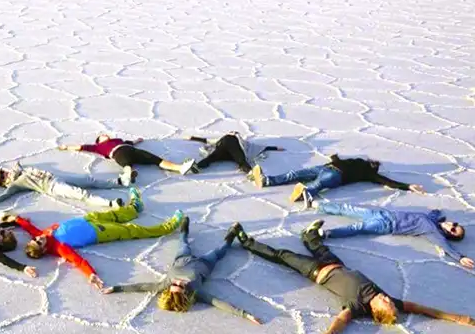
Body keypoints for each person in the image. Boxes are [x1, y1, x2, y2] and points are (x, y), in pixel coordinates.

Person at [232, 222, 475, 334]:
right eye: (390, 302)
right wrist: (458, 318)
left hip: (315, 271)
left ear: (377, 311)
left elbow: (341, 320)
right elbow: (423, 309)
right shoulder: (389, 299)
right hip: (337, 264)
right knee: (319, 247)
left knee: (282, 255)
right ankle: (309, 234)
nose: (387, 299)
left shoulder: (357, 307)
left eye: (386, 304)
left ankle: (246, 242)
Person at [10, 188, 183, 288]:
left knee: (116, 214)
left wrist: (17, 220)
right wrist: (91, 274)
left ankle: (135, 207)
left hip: (89, 219)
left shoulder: (43, 235)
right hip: (99, 231)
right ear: (43, 249)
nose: (38, 237)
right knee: (132, 230)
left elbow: (31, 229)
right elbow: (77, 261)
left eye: (35, 239)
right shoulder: (59, 247)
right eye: (38, 241)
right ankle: (167, 227)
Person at [101, 219, 261, 323]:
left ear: (169, 289)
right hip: (205, 263)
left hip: (182, 257)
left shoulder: (163, 285)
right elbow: (219, 303)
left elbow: (140, 287)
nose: (178, 282)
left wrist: (116, 288)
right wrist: (245, 314)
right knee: (220, 251)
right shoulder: (196, 292)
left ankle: (184, 226)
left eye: (175, 284)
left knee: (183, 242)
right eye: (181, 286)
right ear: (186, 294)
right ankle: (232, 233)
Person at [306, 202, 472, 268]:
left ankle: (326, 234)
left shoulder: (432, 231)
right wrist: (437, 211)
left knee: (357, 227)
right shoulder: (433, 220)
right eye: (455, 225)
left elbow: (444, 245)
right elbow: (433, 214)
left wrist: (460, 257)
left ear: (448, 234)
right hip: (383, 214)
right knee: (349, 209)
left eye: (453, 230)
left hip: (386, 225)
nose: (452, 226)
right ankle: (317, 205)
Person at [248, 154, 423, 206]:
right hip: (326, 167)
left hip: (335, 175)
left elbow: (387, 181)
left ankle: (304, 193)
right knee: (295, 174)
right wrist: (334, 157)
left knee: (318, 184)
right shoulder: (357, 161)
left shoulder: (368, 173)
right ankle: (267, 181)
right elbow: (337, 159)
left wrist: (407, 186)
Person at [0, 162, 124, 209]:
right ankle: (111, 204)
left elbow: (17, 165)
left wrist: (17, 169)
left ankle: (119, 182)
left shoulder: (21, 170)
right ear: (3, 182)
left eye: (2, 172)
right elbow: (7, 194)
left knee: (88, 181)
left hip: (57, 177)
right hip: (52, 187)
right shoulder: (16, 183)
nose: (5, 173)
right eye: (2, 176)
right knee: (81, 194)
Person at [57, 134, 194, 183]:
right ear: (99, 141)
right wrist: (66, 147)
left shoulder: (118, 140)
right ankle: (128, 175)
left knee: (156, 159)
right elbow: (81, 147)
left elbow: (130, 143)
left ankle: (180, 168)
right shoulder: (98, 147)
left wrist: (137, 140)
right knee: (126, 164)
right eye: (102, 135)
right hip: (118, 152)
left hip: (132, 150)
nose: (105, 134)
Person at [186, 132, 284, 174]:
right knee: (241, 161)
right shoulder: (242, 142)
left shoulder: (223, 139)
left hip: (224, 149)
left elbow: (207, 140)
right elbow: (260, 147)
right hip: (230, 144)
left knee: (212, 157)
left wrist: (193, 138)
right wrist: (274, 148)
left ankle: (197, 166)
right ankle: (250, 172)